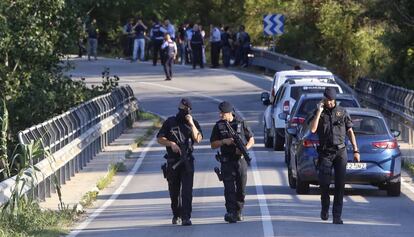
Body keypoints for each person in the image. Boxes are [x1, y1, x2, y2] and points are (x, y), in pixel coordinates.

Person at [310, 87, 360, 225]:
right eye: (328, 100)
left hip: (340, 152)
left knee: (340, 185)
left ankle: (337, 216)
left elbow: (350, 131)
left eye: (332, 100)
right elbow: (313, 129)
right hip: (325, 153)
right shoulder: (319, 113)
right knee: (324, 184)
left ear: (335, 99)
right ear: (324, 99)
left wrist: (356, 150)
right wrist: (319, 111)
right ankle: (325, 208)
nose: (330, 103)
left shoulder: (342, 112)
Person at [157, 98, 203, 226]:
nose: (183, 112)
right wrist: (170, 143)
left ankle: (186, 217)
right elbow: (160, 138)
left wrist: (192, 123)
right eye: (181, 109)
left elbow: (198, 139)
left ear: (189, 111)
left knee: (187, 191)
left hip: (187, 161)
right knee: (174, 192)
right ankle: (176, 213)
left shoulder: (193, 123)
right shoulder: (170, 122)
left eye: (185, 110)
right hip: (173, 162)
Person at [210, 101, 255, 223]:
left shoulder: (241, 123)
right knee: (229, 189)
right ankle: (231, 212)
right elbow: (213, 144)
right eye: (220, 113)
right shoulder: (218, 126)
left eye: (222, 113)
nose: (220, 115)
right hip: (226, 161)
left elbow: (251, 139)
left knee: (241, 189)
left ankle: (239, 211)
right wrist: (224, 141)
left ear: (229, 113)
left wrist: (244, 148)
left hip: (240, 161)